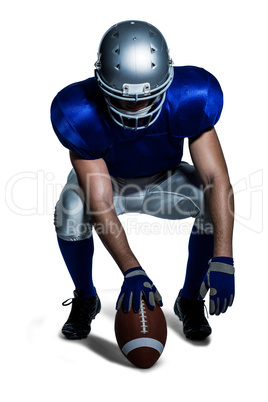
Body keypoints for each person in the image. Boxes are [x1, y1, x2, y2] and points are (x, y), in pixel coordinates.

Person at [51, 20, 235, 342]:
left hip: (165, 180)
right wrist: (132, 269)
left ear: (168, 82)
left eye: (145, 98)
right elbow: (100, 202)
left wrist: (223, 258)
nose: (135, 107)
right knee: (70, 207)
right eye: (123, 99)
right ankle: (86, 297)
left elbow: (217, 178)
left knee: (211, 201)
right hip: (111, 183)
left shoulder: (191, 97)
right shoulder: (79, 112)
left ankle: (190, 299)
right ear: (101, 84)